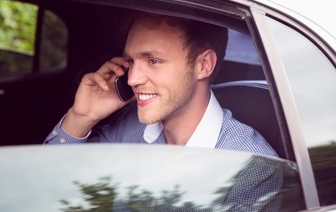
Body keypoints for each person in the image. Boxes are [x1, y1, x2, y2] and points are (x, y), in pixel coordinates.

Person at [44, 12, 278, 157]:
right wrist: (81, 118)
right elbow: (57, 186)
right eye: (130, 61)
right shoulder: (129, 128)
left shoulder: (250, 165)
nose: (133, 79)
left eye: (153, 61)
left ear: (204, 65)